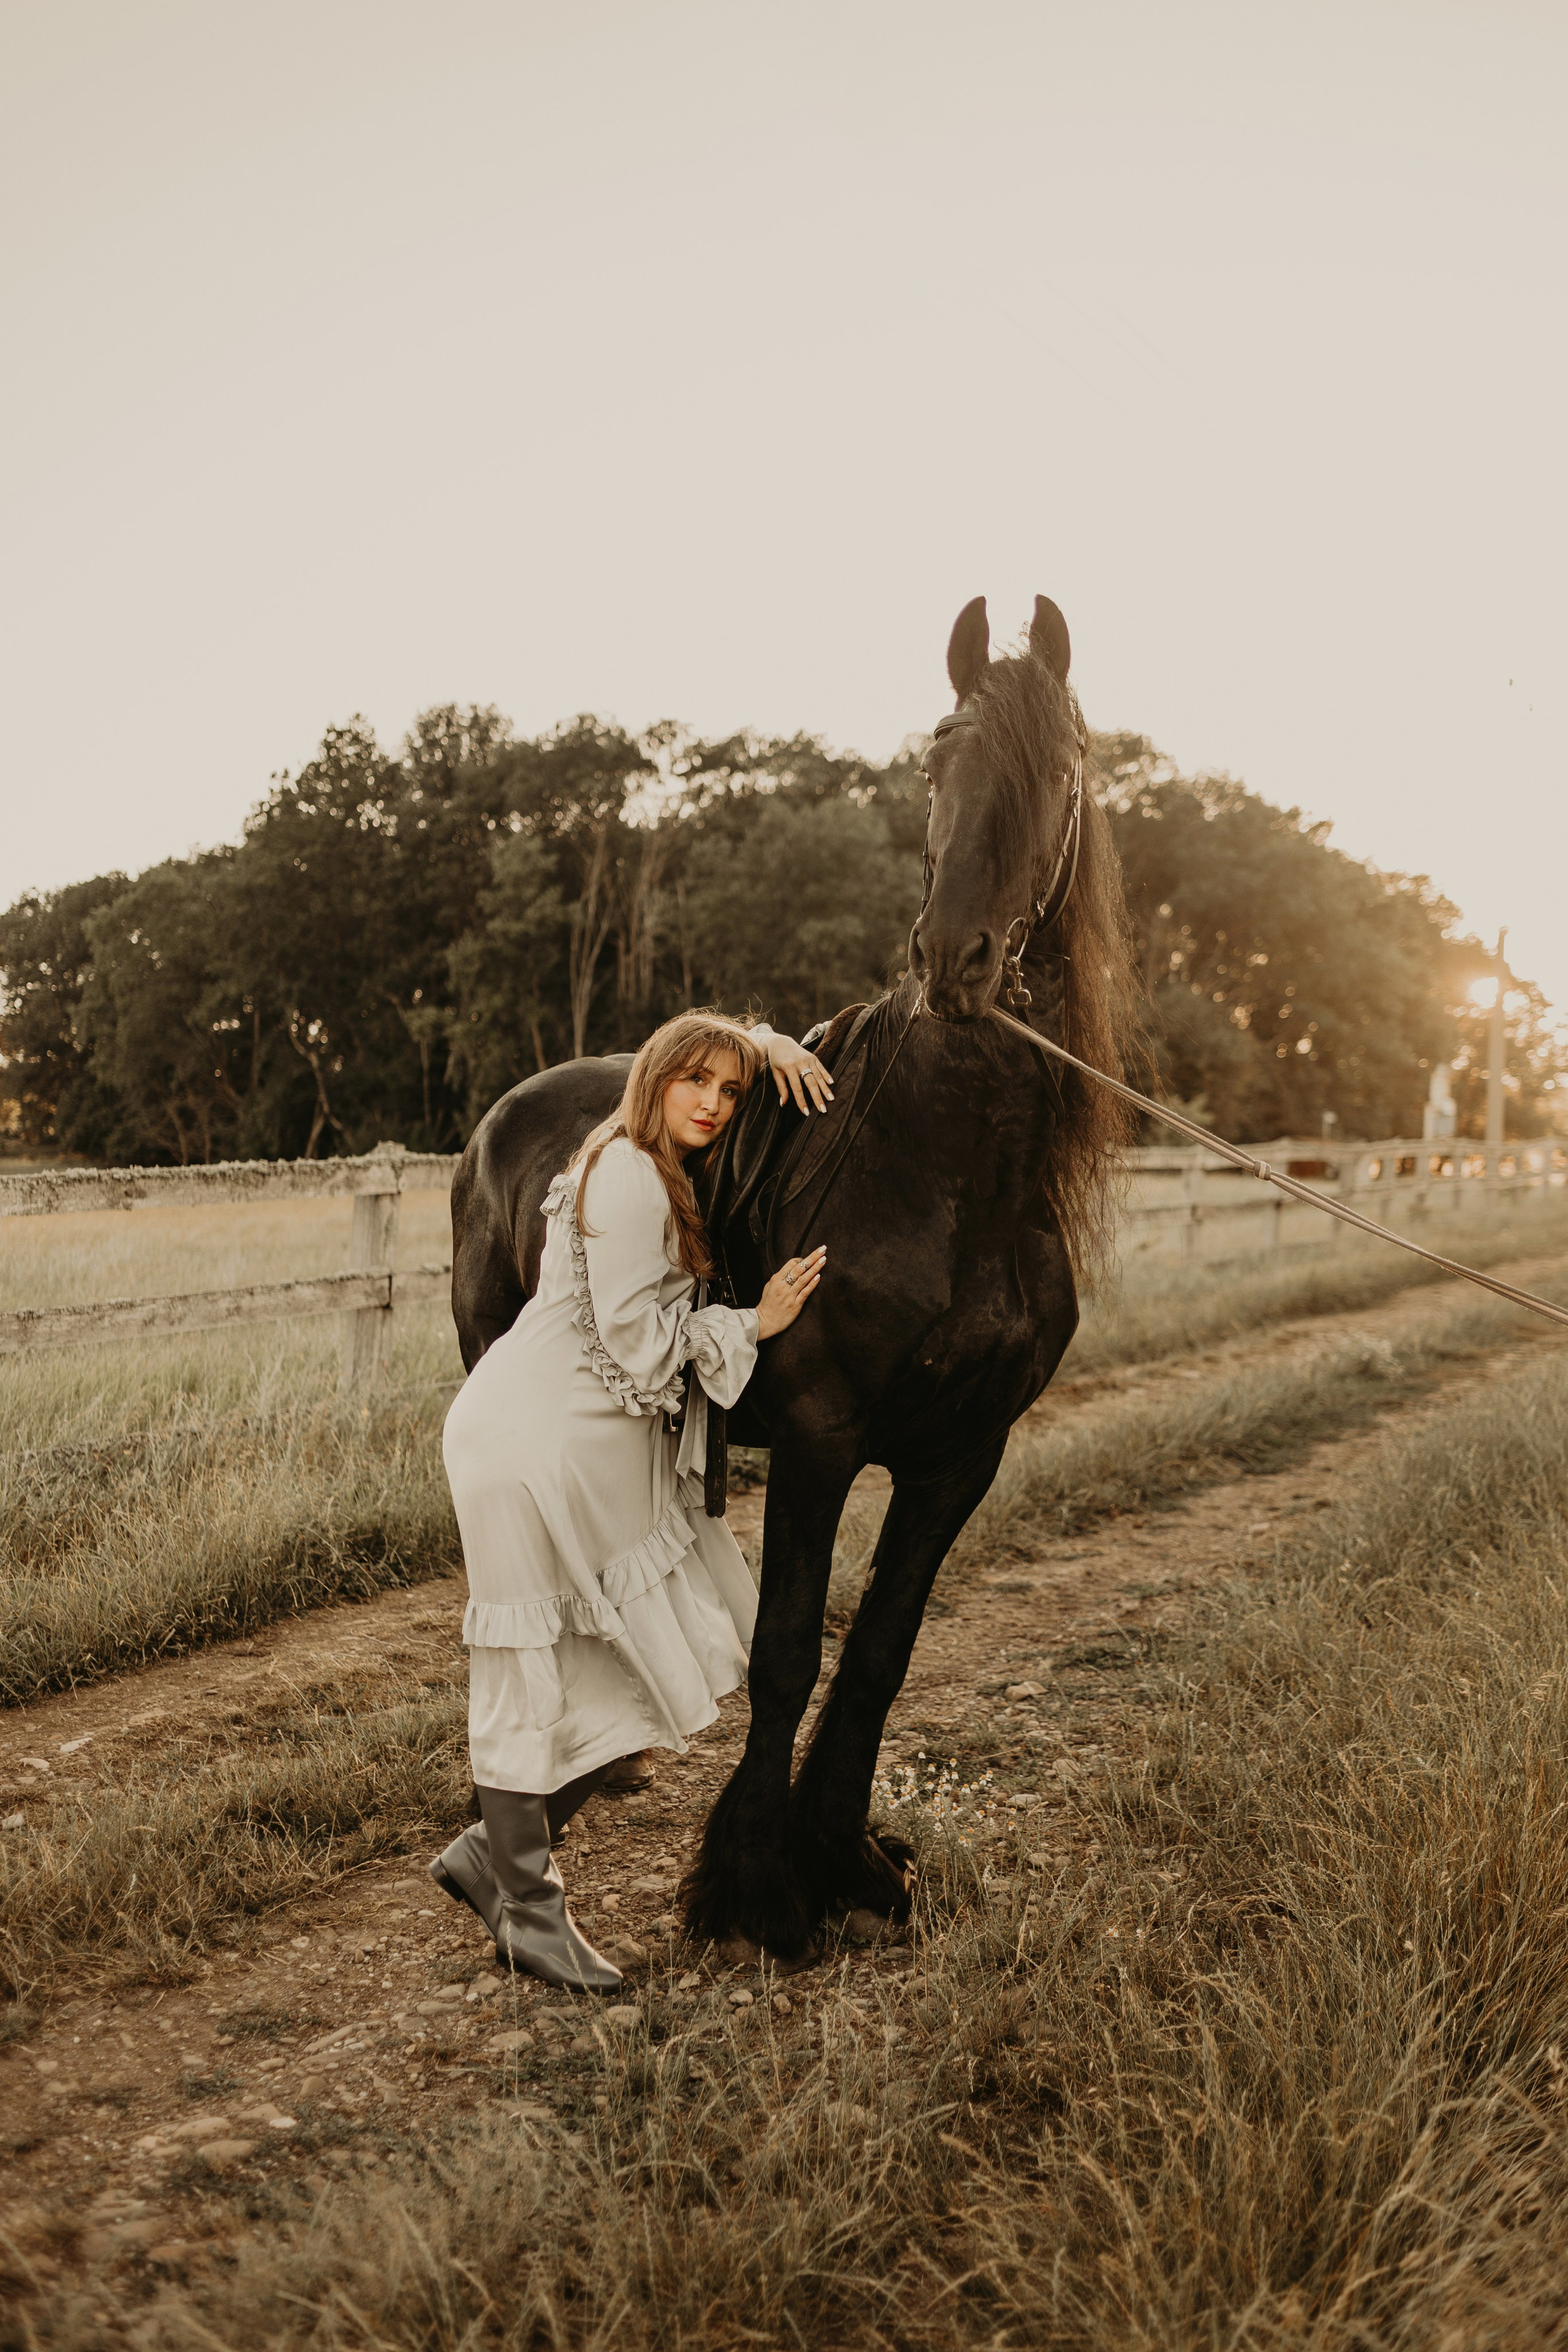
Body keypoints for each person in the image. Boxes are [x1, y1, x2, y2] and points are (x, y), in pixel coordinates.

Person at [429, 1010, 833, 1991]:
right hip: (534, 1442)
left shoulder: (646, 1162)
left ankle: (491, 1855)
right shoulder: (627, 1173)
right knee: (534, 1673)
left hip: (576, 1444)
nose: (711, 1103)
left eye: (728, 1092)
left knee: (654, 1664)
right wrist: (756, 1321)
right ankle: (527, 1906)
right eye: (693, 1081)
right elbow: (635, 1345)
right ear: (651, 1078)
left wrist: (765, 1041)